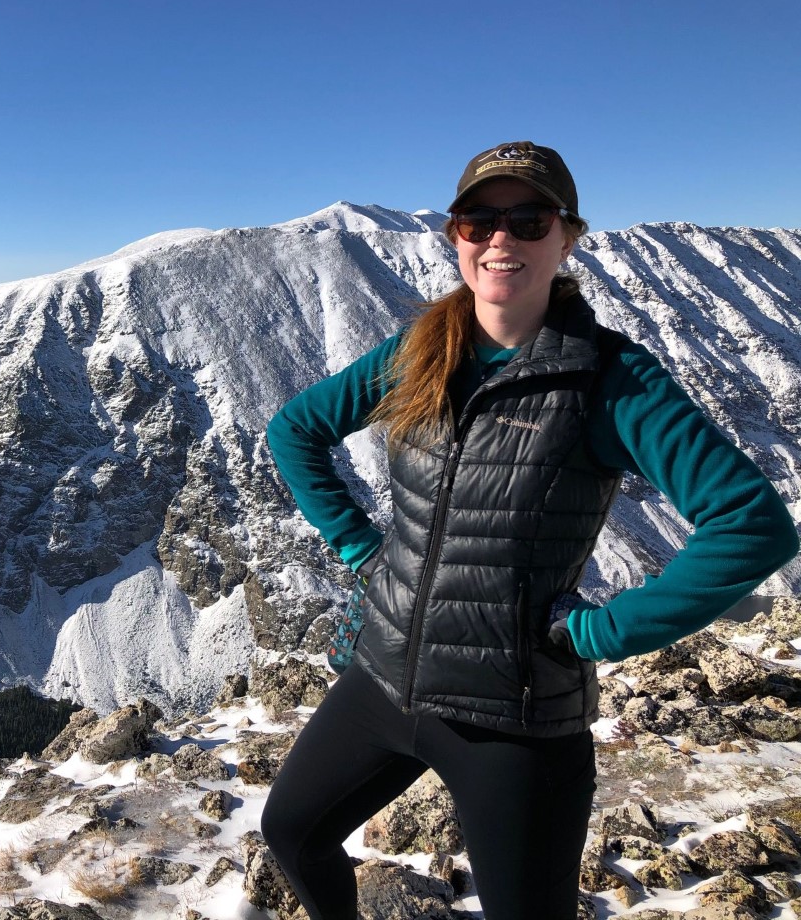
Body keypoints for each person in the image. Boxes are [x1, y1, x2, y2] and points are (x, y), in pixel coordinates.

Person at [260, 141, 798, 920]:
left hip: (511, 719)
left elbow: (752, 524)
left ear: (567, 236)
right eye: (478, 220)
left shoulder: (609, 379)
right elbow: (295, 431)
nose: (499, 238)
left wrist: (604, 633)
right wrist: (361, 549)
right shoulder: (422, 351)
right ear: (455, 235)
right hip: (381, 679)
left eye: (528, 219)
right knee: (292, 832)